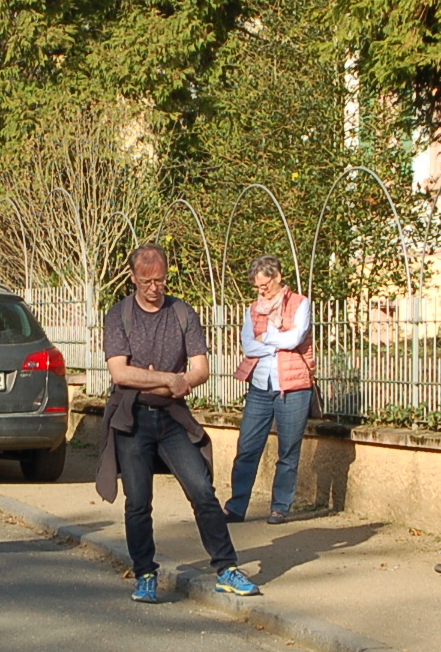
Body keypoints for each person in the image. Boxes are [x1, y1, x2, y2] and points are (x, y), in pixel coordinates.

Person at [96, 243, 260, 604]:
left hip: (171, 417)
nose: (154, 288)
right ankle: (145, 573)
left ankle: (227, 568)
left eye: (160, 280)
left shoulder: (182, 313)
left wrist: (169, 381)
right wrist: (169, 381)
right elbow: (119, 373)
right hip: (132, 419)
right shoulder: (119, 315)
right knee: (138, 500)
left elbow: (200, 369)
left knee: (201, 489)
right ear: (133, 278)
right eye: (146, 281)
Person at [224, 256, 314, 527]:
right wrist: (278, 342)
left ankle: (280, 507)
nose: (261, 291)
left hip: (294, 387)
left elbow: (297, 338)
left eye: (265, 285)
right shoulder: (253, 309)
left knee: (288, 450)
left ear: (277, 277)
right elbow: (248, 346)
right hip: (260, 387)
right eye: (257, 287)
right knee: (247, 447)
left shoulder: (301, 303)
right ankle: (236, 506)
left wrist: (268, 339)